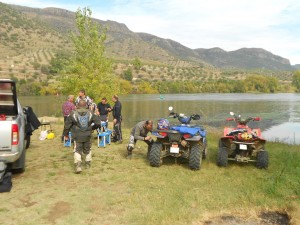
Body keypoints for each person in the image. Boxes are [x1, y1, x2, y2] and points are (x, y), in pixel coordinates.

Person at [63, 100, 101, 173]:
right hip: (87, 135)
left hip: (77, 135)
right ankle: (88, 163)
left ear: (77, 105)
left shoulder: (73, 113)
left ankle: (78, 166)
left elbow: (67, 125)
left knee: (77, 150)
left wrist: (66, 134)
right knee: (87, 148)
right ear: (86, 105)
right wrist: (92, 128)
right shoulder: (90, 112)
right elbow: (98, 123)